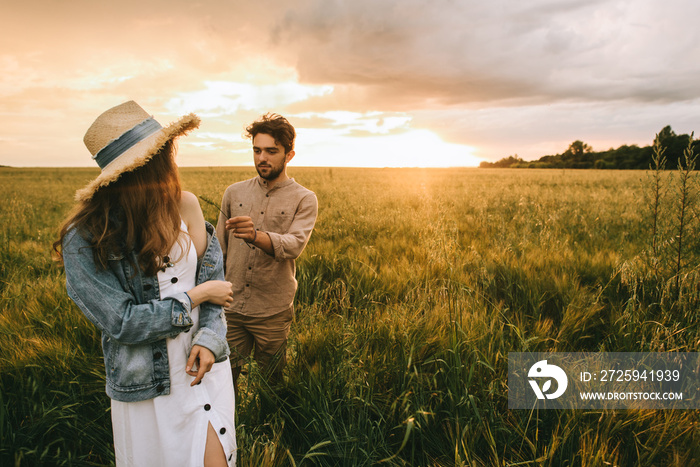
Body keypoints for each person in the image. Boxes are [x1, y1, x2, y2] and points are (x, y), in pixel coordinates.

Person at [54, 101, 237, 466]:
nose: (171, 162)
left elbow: (213, 280)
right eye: (162, 155)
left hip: (205, 368)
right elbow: (123, 322)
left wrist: (210, 339)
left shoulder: (186, 205)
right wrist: (195, 297)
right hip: (146, 387)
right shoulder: (86, 236)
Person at [216, 113, 318, 396]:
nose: (262, 158)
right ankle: (231, 436)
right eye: (257, 150)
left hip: (272, 310)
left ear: (289, 154)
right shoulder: (233, 193)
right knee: (223, 383)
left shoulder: (304, 198)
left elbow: (295, 244)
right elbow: (218, 250)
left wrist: (256, 236)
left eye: (271, 151)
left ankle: (268, 430)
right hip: (231, 308)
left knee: (271, 384)